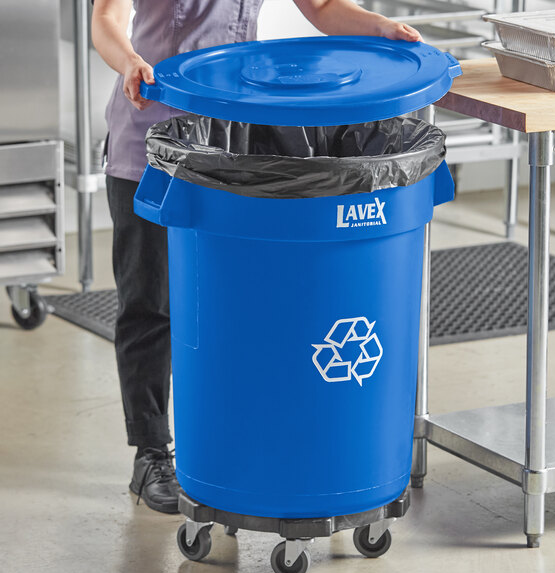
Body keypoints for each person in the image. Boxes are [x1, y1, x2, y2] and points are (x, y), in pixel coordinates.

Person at [91, 0, 421, 514]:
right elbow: (106, 18)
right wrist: (129, 60)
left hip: (233, 142)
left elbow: (323, 5)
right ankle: (151, 452)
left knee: (236, 307)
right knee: (150, 305)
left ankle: (231, 443)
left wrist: (382, 29)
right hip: (150, 143)